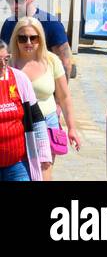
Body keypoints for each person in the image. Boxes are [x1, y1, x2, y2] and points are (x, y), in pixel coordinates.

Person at [9, 18, 79, 177]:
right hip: (18, 124)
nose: (28, 42)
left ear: (40, 38)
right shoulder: (9, 63)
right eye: (22, 38)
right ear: (15, 39)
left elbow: (64, 97)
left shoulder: (51, 60)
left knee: (44, 170)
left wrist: (72, 128)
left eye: (33, 37)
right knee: (21, 172)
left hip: (47, 123)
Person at [0, 38, 51, 181]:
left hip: (18, 163)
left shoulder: (20, 79)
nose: (3, 65)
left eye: (6, 59)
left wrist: (44, 153)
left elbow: (36, 118)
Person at [3, 0, 72, 77]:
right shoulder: (8, 24)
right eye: (10, 1)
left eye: (19, 1)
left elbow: (66, 64)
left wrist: (59, 91)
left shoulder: (52, 24)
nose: (14, 5)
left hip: (42, 89)